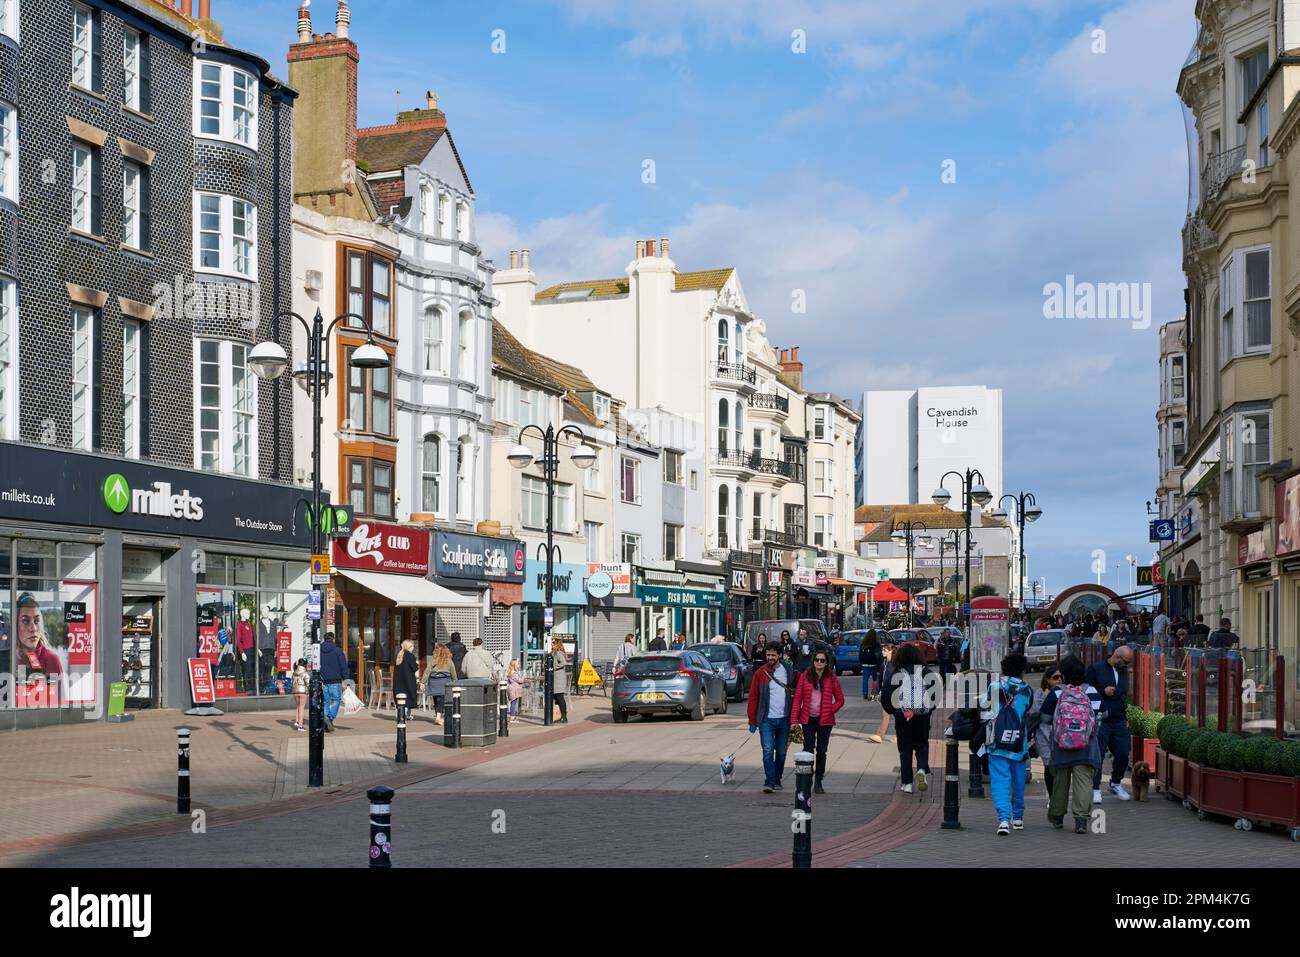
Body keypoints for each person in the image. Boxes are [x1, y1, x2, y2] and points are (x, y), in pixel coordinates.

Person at [1040, 654, 1103, 833]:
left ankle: (1057, 817)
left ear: (1064, 674)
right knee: (1083, 782)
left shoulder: (1058, 692)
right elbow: (1104, 713)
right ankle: (1081, 820)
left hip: (1062, 745)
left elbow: (1045, 718)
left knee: (1060, 782)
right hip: (1087, 746)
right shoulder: (1091, 691)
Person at [983, 652, 1034, 834]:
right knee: (1018, 781)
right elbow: (1028, 709)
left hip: (997, 743)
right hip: (1018, 744)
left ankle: (1003, 820)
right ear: (1022, 670)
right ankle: (1018, 818)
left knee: (999, 782)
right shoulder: (1027, 689)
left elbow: (984, 704)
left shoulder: (994, 686)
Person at [1085, 643, 1134, 802]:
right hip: (1100, 718)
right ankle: (1095, 787)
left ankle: (1115, 782)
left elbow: (1124, 692)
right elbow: (1085, 689)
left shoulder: (1123, 671)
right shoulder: (1096, 669)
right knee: (1097, 754)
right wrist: (1103, 692)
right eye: (1125, 662)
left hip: (1119, 718)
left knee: (1123, 752)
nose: (1126, 666)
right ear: (1117, 657)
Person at [792, 649, 844, 794]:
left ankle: (819, 781)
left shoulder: (831, 678)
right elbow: (797, 699)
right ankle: (806, 780)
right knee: (808, 750)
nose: (819, 663)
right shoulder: (805, 676)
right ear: (813, 661)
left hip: (825, 721)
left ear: (827, 663)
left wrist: (830, 710)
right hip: (808, 719)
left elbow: (840, 700)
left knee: (822, 751)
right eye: (817, 660)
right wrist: (794, 720)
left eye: (822, 660)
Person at [746, 642, 796, 793]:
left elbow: (801, 683)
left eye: (773, 655)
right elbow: (753, 697)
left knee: (781, 752)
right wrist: (752, 720)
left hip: (784, 718)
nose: (770, 658)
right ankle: (770, 781)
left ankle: (777, 778)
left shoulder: (788, 670)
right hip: (766, 719)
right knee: (767, 750)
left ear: (779, 655)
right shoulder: (760, 673)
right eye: (768, 655)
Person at [883, 641, 932, 793]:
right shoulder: (926, 672)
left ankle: (907, 783)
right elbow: (936, 694)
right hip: (921, 715)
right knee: (922, 744)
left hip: (902, 715)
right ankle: (922, 770)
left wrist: (893, 711)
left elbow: (887, 694)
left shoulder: (896, 672)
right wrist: (928, 710)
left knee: (905, 749)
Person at [1028, 667, 1062, 799]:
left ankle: (1057, 792)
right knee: (1048, 765)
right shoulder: (1040, 693)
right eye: (1055, 677)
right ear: (1047, 679)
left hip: (1060, 736)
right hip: (1043, 735)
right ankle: (1051, 795)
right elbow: (1033, 711)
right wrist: (1045, 697)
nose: (1059, 680)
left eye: (1060, 678)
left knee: (1058, 767)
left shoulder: (1064, 692)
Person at [14, 594, 63, 677]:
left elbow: (60, 690)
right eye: (25, 621)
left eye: (36, 621)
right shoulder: (8, 659)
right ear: (15, 625)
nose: (33, 628)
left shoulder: (52, 659)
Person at [318, 631, 349, 731]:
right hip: (335, 681)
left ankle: (326, 723)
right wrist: (346, 679)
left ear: (324, 639)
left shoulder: (318, 651)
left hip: (322, 681)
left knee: (326, 702)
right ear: (333, 639)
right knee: (336, 700)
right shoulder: (338, 651)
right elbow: (343, 666)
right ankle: (330, 717)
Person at [424, 643, 456, 723]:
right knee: (442, 698)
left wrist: (423, 681)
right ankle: (438, 716)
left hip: (433, 682)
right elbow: (453, 673)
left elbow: (427, 671)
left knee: (436, 698)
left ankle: (437, 714)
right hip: (444, 682)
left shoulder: (432, 660)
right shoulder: (449, 661)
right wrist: (455, 681)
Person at [393, 638, 420, 710]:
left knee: (401, 699)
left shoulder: (399, 655)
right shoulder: (410, 656)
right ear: (409, 647)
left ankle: (402, 714)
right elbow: (414, 668)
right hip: (408, 681)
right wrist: (417, 664)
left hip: (399, 681)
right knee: (408, 699)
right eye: (413, 646)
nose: (413, 648)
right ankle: (405, 715)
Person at [550, 637, 570, 723]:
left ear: (557, 644)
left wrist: (554, 667)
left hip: (559, 678)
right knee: (556, 698)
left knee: (560, 697)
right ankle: (558, 716)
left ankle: (564, 716)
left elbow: (563, 663)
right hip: (556, 678)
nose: (552, 644)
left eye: (553, 643)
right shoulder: (554, 653)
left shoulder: (558, 653)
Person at [859, 628, 882, 700]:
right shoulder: (876, 644)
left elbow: (860, 655)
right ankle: (874, 694)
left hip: (865, 664)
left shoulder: (863, 643)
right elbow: (879, 656)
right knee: (875, 680)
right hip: (874, 664)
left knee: (865, 680)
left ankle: (865, 694)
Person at [291, 658, 310, 731]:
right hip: (303, 692)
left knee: (298, 707)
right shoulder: (305, 673)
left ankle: (297, 721)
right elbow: (308, 684)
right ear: (305, 665)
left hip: (295, 691)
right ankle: (300, 726)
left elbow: (292, 683)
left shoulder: (294, 672)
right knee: (301, 708)